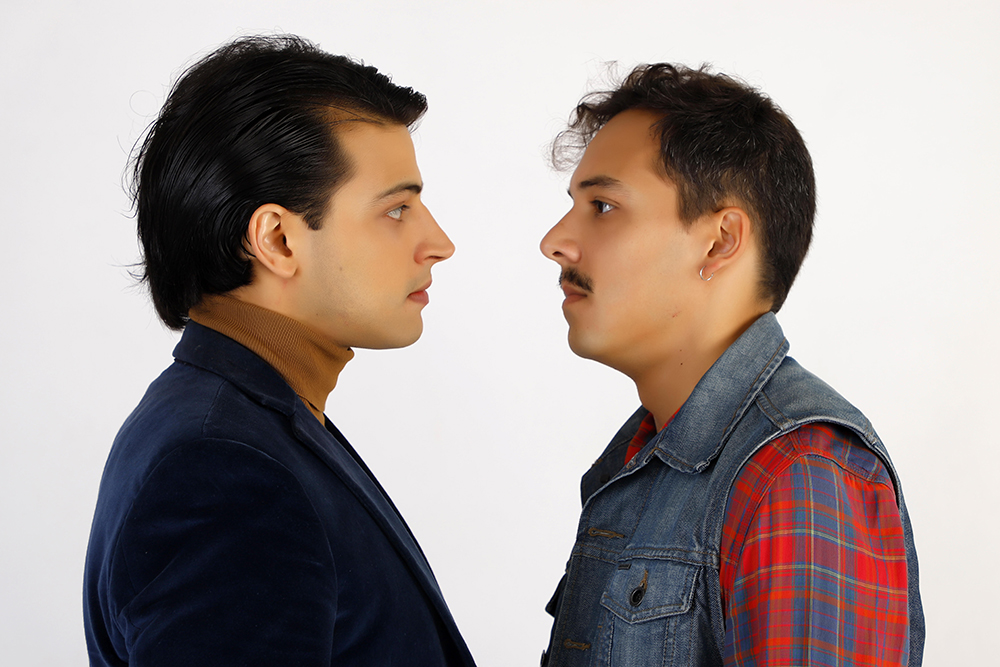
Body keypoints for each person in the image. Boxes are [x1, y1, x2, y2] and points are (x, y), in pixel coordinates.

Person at [83, 35, 476, 666]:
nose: (439, 242)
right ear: (278, 240)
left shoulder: (247, 420)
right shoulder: (222, 469)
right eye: (397, 209)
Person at [538, 64, 924, 666]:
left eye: (603, 206)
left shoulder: (799, 473)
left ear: (719, 241)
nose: (555, 241)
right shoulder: (646, 459)